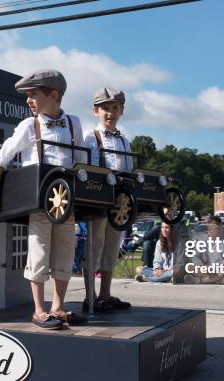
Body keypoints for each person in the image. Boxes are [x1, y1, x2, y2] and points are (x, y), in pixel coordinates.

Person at [0, 69, 87, 329]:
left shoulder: (74, 123)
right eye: (27, 95)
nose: (28, 100)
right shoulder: (30, 125)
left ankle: (59, 306)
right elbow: (2, 157)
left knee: (66, 251)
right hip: (40, 201)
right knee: (39, 251)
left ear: (53, 95)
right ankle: (39, 310)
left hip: (66, 202)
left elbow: (80, 162)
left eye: (33, 95)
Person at [81, 87, 132, 313]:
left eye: (114, 108)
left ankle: (105, 293)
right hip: (98, 196)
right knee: (95, 245)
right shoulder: (91, 137)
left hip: (118, 200)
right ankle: (89, 295)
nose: (110, 113)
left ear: (121, 110)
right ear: (95, 111)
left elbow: (129, 168)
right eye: (105, 109)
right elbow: (87, 167)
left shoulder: (124, 141)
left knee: (113, 245)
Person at [183, 216, 224, 284]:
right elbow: (196, 257)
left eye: (213, 227)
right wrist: (202, 266)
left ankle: (201, 281)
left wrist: (214, 267)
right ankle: (217, 280)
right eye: (209, 226)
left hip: (220, 269)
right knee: (189, 267)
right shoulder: (201, 240)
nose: (209, 229)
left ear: (220, 228)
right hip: (206, 269)